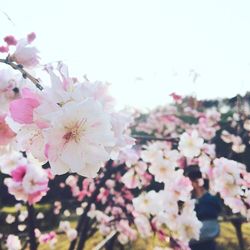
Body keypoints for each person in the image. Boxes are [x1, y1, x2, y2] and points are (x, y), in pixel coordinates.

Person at [185, 166, 221, 250]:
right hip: (193, 239)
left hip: (208, 235)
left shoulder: (210, 198)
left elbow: (214, 211)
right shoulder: (189, 199)